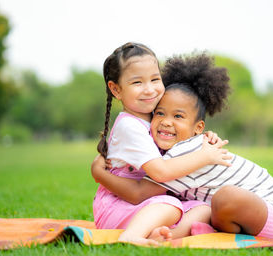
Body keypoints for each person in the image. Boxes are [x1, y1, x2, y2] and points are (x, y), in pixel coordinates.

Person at [92, 52, 273, 241]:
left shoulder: (188, 151)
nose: (166, 122)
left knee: (222, 199)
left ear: (198, 127)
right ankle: (174, 235)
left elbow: (140, 192)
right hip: (258, 213)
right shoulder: (180, 145)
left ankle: (178, 234)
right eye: (160, 113)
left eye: (178, 116)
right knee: (203, 208)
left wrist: (99, 173)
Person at [93, 42, 231, 245]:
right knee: (170, 205)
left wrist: (203, 138)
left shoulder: (154, 118)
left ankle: (167, 237)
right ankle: (130, 236)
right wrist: (203, 156)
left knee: (203, 208)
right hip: (117, 206)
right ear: (116, 89)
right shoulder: (129, 126)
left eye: (155, 79)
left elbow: (179, 141)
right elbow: (160, 173)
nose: (149, 90)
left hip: (145, 202)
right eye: (137, 82)